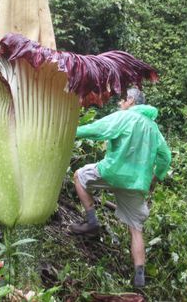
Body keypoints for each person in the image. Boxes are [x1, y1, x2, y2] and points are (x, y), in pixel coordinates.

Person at [68, 87, 171, 289]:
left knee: (79, 176)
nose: (119, 103)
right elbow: (165, 157)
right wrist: (154, 178)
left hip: (112, 173)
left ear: (131, 101)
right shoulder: (153, 128)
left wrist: (69, 131)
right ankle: (139, 278)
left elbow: (97, 129)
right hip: (137, 184)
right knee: (136, 229)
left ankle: (91, 222)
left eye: (122, 100)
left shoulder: (124, 117)